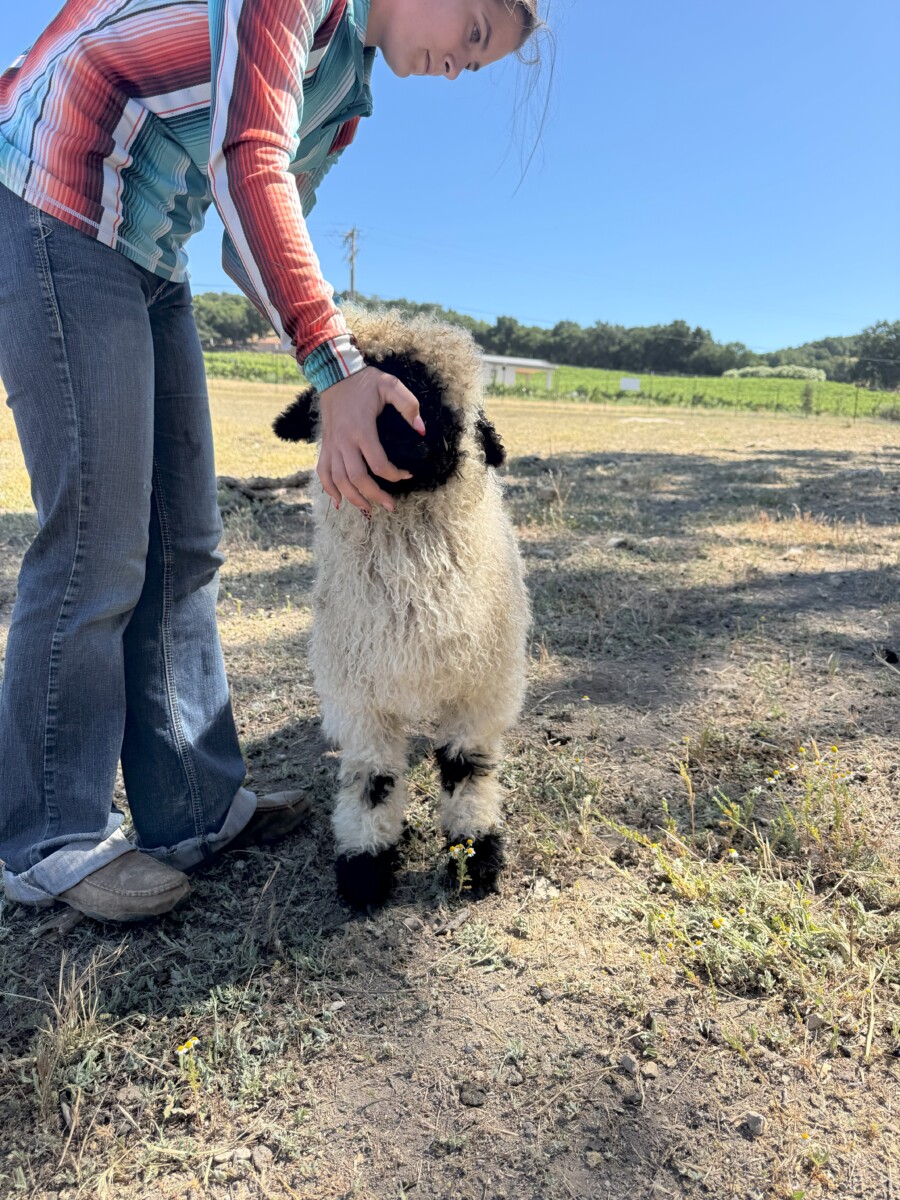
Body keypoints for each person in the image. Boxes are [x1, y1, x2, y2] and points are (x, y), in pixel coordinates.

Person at [0, 0, 542, 922]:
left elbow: (248, 235)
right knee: (96, 538)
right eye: (475, 34)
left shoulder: (348, 98)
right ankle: (50, 838)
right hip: (57, 195)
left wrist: (349, 366)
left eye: (477, 64)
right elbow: (245, 159)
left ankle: (194, 809)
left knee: (186, 542)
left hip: (150, 246)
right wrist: (334, 368)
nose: (459, 66)